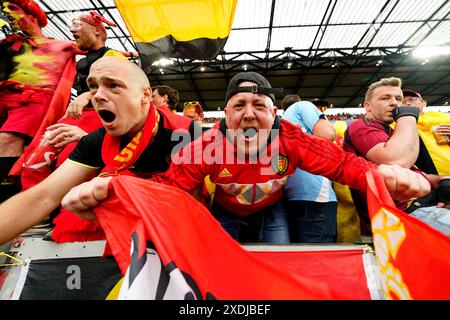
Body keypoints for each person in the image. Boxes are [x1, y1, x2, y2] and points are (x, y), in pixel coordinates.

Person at [60, 72, 432, 244]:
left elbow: (345, 166)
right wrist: (116, 191)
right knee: (221, 261)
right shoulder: (203, 146)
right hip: (224, 214)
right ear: (225, 114)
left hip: (272, 211)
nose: (250, 114)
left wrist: (384, 177)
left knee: (280, 256)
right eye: (240, 105)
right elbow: (167, 189)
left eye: (261, 106)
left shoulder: (292, 139)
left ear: (275, 114)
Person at [0, 57, 194, 245]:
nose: (98, 96)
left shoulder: (190, 133)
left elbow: (214, 195)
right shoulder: (95, 141)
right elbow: (43, 197)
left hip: (186, 228)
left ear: (144, 95)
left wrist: (123, 196)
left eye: (113, 85)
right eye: (93, 86)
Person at [343, 77, 450, 235]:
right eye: (385, 98)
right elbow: (396, 161)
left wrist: (441, 181)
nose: (395, 103)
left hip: (408, 212)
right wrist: (407, 116)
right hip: (393, 221)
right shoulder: (361, 126)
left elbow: (409, 171)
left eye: (398, 99)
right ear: (368, 106)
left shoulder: (391, 132)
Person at [0, 0, 79, 184]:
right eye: (4, 10)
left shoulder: (62, 46)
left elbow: (100, 51)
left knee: (6, 141)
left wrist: (136, 55)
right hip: (6, 97)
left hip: (35, 100)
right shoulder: (11, 45)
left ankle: (7, 194)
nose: (7, 13)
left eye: (13, 8)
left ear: (33, 15)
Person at [281, 98, 338, 243]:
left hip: (291, 195)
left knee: (299, 254)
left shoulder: (282, 123)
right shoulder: (302, 105)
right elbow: (329, 134)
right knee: (318, 256)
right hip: (316, 195)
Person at [402, 89, 450, 176]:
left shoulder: (442, 117)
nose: (407, 103)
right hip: (424, 178)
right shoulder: (395, 124)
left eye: (412, 99)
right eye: (402, 101)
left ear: (423, 103)